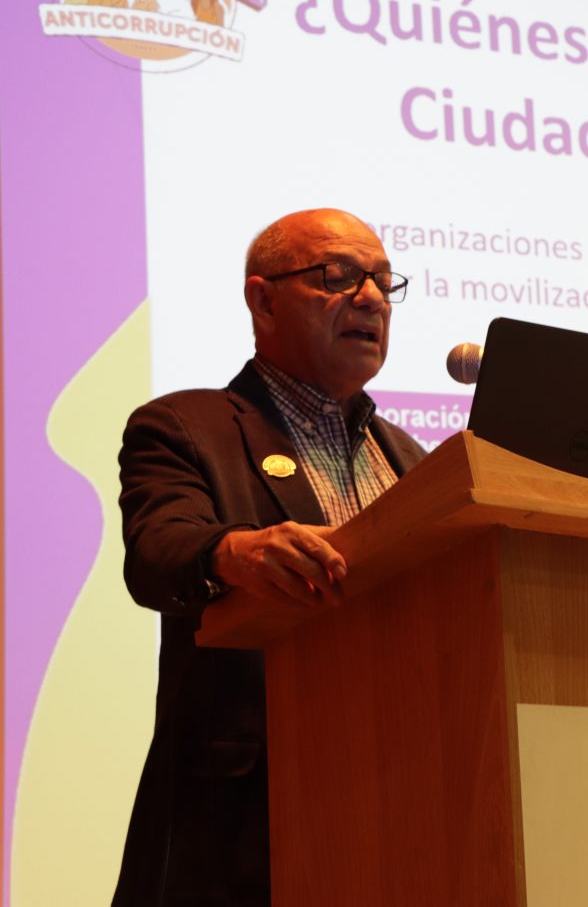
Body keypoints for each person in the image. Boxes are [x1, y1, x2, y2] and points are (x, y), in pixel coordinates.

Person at [112, 208, 426, 906]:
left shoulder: (408, 457)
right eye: (338, 276)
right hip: (248, 822)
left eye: (382, 281)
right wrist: (232, 550)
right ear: (263, 300)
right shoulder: (185, 427)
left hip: (403, 796)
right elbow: (158, 552)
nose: (371, 298)